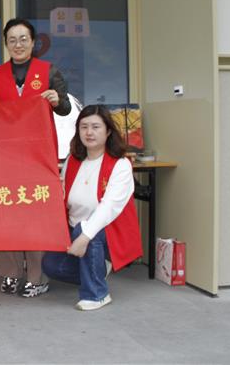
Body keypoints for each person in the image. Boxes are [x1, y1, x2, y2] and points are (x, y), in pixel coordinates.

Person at [0, 18, 71, 298]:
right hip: (4, 156)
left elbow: (66, 109)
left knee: (36, 215)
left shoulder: (49, 71)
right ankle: (10, 273)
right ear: (5, 44)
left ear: (33, 42)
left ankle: (37, 276)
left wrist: (57, 99)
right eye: (12, 40)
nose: (18, 44)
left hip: (38, 155)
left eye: (23, 39)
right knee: (5, 213)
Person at [42, 104, 142, 310]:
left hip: (108, 233)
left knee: (86, 229)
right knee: (51, 265)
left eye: (96, 127)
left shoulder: (120, 164)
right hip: (74, 230)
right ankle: (96, 267)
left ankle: (97, 294)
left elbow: (109, 207)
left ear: (108, 131)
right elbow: (63, 196)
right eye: (84, 127)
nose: (89, 132)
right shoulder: (73, 160)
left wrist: (83, 237)